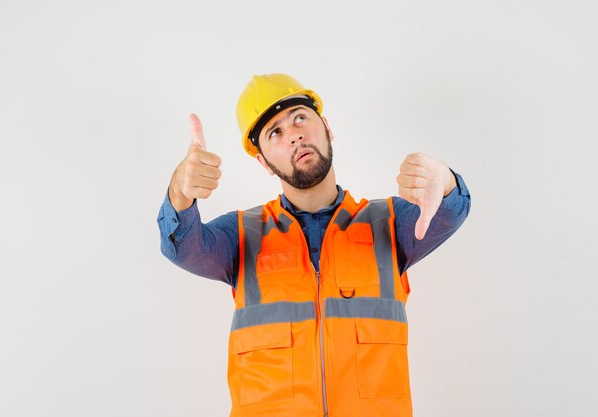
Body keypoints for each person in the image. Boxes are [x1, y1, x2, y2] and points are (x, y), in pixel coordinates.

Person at [156, 73, 471, 417]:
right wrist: (180, 191)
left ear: (327, 128)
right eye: (275, 132)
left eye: (300, 118)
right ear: (263, 162)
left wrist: (444, 181)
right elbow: (183, 246)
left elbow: (447, 211)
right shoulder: (242, 235)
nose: (293, 135)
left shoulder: (391, 225)